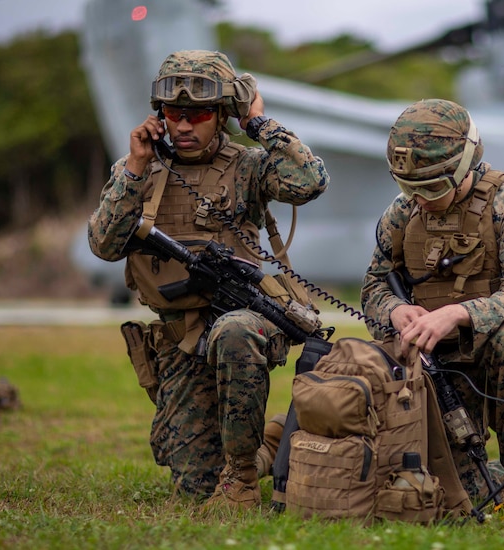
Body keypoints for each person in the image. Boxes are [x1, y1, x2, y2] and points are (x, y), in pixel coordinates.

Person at [88, 50, 328, 509]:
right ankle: (273, 442)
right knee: (194, 485)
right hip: (181, 339)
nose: (183, 126)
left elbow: (309, 181)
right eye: (174, 114)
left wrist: (257, 123)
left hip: (245, 321)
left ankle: (240, 482)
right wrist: (137, 166)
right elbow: (103, 244)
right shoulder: (138, 171)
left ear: (221, 116)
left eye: (197, 114)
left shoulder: (250, 166)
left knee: (235, 331)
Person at [361, 98, 504, 519]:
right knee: (460, 494)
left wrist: (460, 313)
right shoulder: (403, 213)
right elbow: (373, 284)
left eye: (432, 189)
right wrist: (394, 311)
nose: (420, 200)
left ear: (463, 170)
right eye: (409, 188)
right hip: (440, 356)